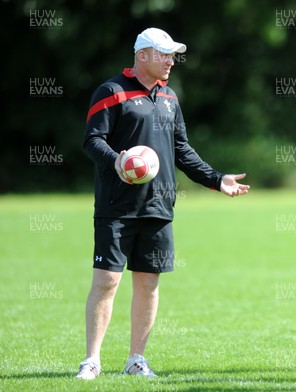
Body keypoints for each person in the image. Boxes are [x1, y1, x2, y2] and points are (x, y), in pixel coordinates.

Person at [76, 27, 250, 380]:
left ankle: (136, 359)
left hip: (159, 208)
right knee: (107, 281)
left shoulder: (170, 97)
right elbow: (92, 141)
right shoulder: (111, 92)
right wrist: (117, 161)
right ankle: (91, 360)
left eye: (173, 55)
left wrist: (217, 180)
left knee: (148, 283)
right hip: (116, 207)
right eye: (165, 54)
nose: (172, 61)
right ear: (143, 55)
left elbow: (182, 150)